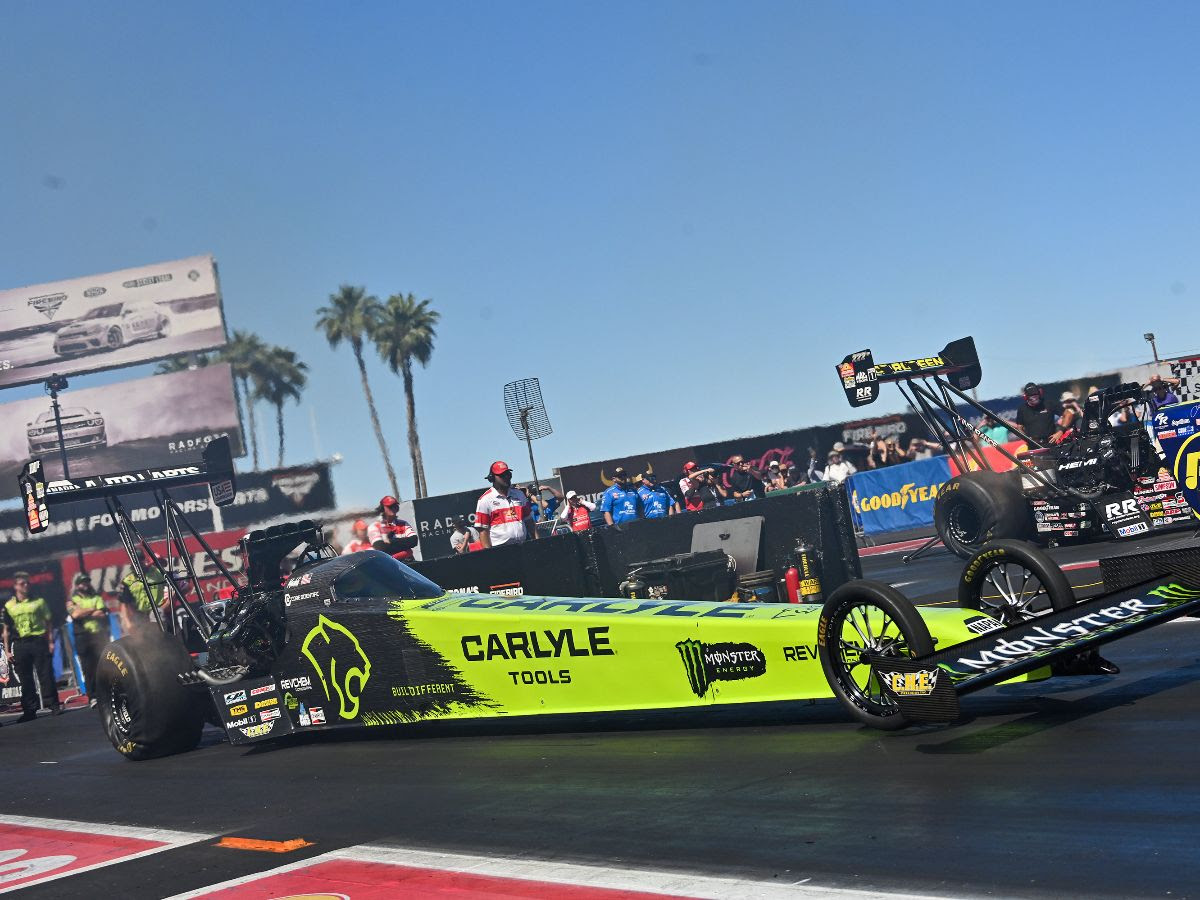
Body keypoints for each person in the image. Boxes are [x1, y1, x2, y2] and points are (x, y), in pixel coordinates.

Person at [3, 572, 61, 721]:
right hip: (20, 644)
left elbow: (48, 622)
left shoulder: (39, 602)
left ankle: (53, 705)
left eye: (27, 583)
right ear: (15, 586)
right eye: (22, 583)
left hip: (38, 641)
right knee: (25, 678)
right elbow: (6, 629)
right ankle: (29, 710)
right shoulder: (9, 606)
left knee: (46, 674)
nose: (26, 585)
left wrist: (50, 642)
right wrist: (7, 651)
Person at [66, 573, 109, 708]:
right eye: (82, 582)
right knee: (88, 668)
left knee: (103, 665)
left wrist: (84, 611)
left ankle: (106, 694)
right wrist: (92, 609)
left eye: (87, 582)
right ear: (77, 585)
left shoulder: (96, 597)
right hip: (82, 637)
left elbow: (101, 613)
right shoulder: (72, 599)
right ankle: (93, 697)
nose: (85, 584)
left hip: (98, 635)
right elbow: (75, 614)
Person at [476, 461, 533, 548]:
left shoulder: (519, 494)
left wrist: (537, 544)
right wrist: (489, 553)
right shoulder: (485, 500)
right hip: (500, 549)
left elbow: (529, 522)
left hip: (523, 545)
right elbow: (483, 531)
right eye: (502, 475)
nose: (506, 477)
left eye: (508, 474)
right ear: (492, 478)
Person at [118, 552, 166, 633]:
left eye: (140, 560)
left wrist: (165, 606)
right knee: (140, 636)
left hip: (157, 612)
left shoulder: (157, 573)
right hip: (139, 615)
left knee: (158, 633)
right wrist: (127, 622)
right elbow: (124, 603)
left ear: (144, 560)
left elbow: (173, 589)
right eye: (135, 561)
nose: (138, 563)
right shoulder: (128, 580)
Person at [369, 496, 417, 560]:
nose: (393, 508)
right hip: (387, 563)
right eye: (390, 506)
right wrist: (405, 550)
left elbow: (414, 541)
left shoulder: (403, 523)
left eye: (395, 506)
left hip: (407, 562)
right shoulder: (374, 526)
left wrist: (389, 542)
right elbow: (380, 547)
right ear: (382, 509)